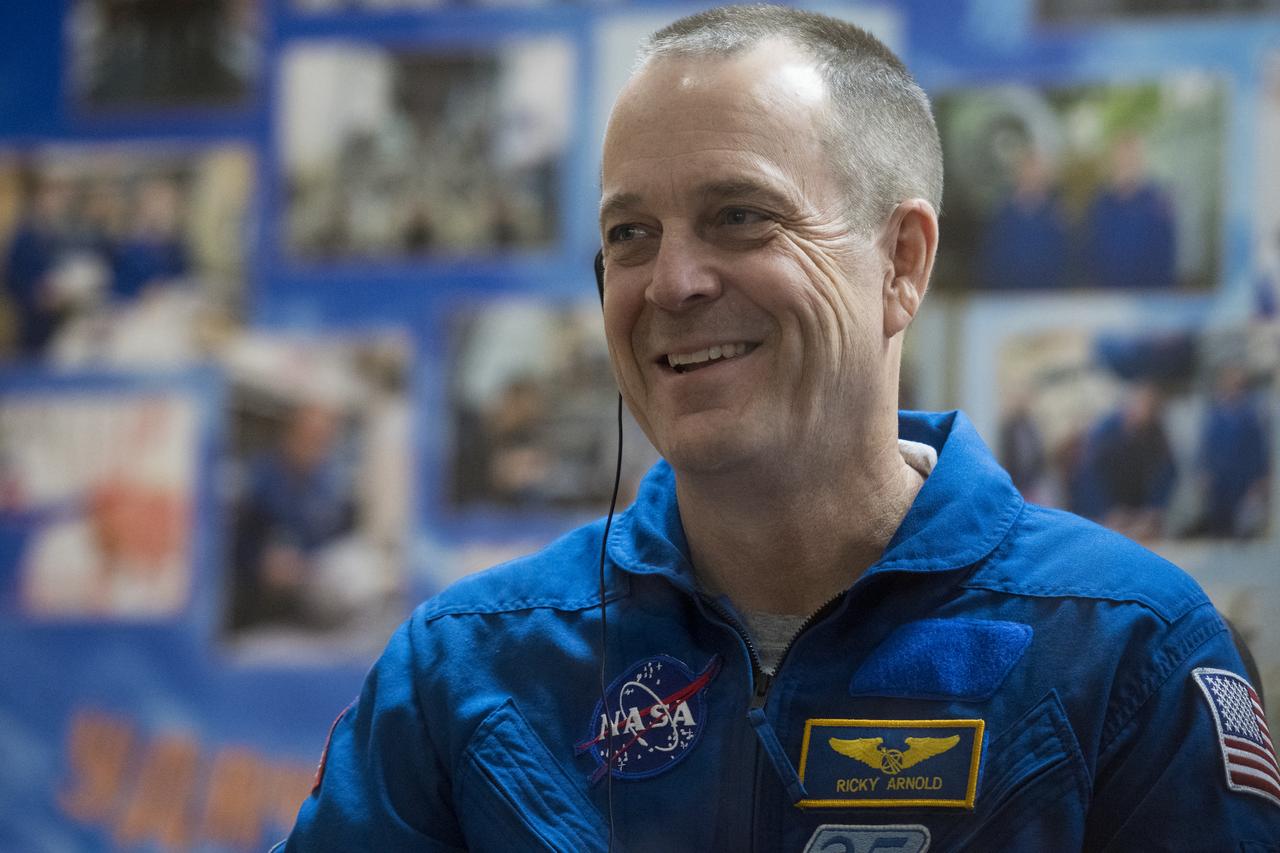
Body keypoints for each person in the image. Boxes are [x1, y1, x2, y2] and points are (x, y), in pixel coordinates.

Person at [279, 6, 1280, 850]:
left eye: (739, 216)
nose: (670, 283)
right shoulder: (467, 669)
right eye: (630, 234)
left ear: (900, 263)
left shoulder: (1120, 652)